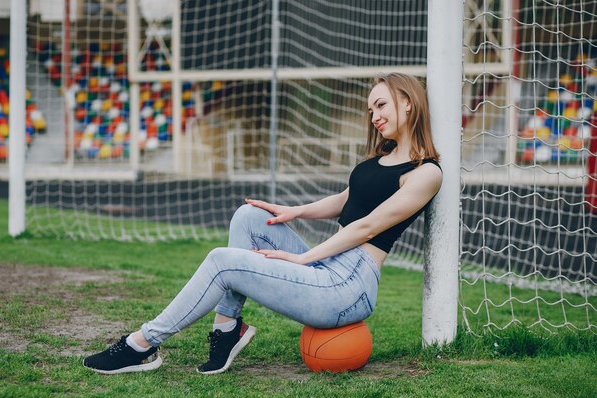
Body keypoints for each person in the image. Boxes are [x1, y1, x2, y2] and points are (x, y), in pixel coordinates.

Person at [83, 72, 443, 375]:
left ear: (407, 102)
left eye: (381, 105)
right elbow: (344, 203)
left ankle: (141, 344)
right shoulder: (380, 157)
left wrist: (304, 258)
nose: (374, 116)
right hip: (330, 267)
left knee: (222, 261)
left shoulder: (425, 173)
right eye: (370, 109)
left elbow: (365, 227)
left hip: (349, 286)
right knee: (251, 216)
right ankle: (226, 331)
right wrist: (292, 210)